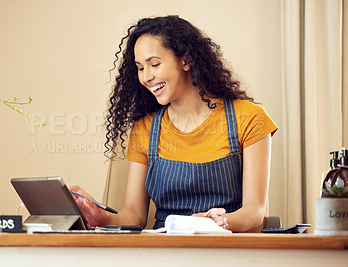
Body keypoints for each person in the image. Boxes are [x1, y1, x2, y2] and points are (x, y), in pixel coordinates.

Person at [70, 15, 278, 232]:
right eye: (140, 67)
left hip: (226, 246)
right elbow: (134, 215)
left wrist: (216, 222)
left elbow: (255, 211)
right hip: (163, 248)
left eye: (154, 64)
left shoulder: (249, 118)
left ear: (185, 60)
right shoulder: (145, 129)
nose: (146, 77)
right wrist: (99, 215)